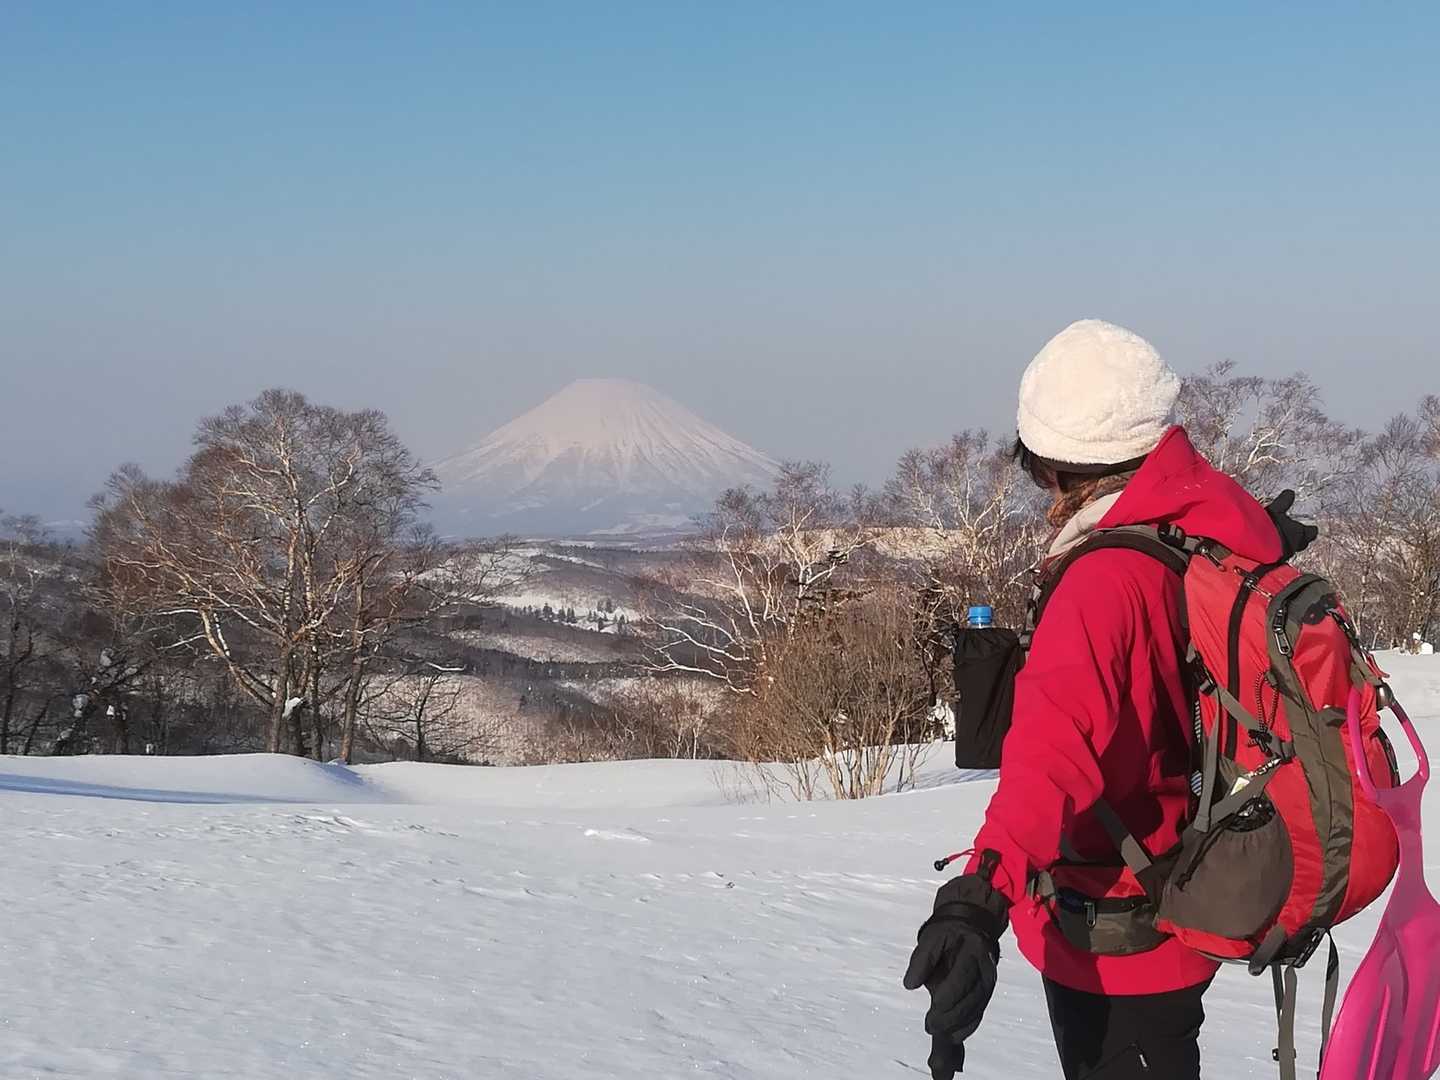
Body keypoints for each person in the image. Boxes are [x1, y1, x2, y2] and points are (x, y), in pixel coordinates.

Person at [902, 319, 1308, 1079]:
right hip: (1185, 881)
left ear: (1057, 464)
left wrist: (980, 896)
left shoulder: (1102, 579)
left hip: (1121, 926)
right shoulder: (1197, 521)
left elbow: (1053, 754)